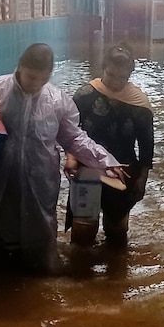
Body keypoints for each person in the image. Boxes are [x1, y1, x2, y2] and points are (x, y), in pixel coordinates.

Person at [0, 43, 127, 272]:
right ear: (20, 67)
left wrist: (105, 160)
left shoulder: (58, 100)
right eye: (31, 77)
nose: (36, 84)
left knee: (39, 233)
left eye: (42, 79)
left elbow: (74, 138)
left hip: (39, 180)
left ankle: (40, 274)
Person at [65, 44, 154, 245]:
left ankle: (116, 273)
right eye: (111, 75)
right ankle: (81, 273)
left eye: (122, 78)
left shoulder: (139, 104)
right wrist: (71, 158)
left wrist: (142, 179)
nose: (115, 82)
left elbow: (146, 144)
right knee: (83, 232)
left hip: (122, 172)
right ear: (103, 68)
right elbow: (70, 131)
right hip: (87, 169)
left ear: (130, 75)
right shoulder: (85, 96)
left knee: (117, 233)